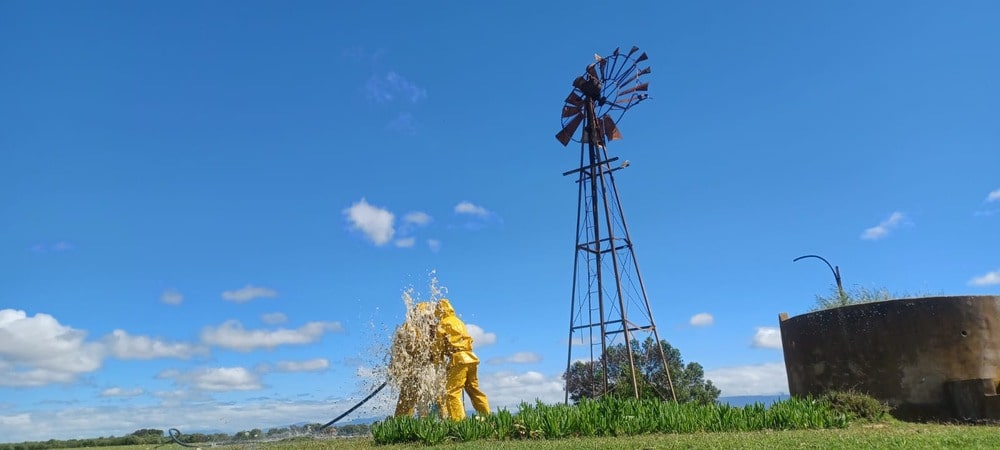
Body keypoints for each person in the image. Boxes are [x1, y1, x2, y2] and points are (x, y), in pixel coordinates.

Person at [435, 298, 490, 420]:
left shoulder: (443, 323)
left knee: (452, 392)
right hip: (471, 357)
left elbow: (438, 346)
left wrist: (436, 356)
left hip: (458, 359)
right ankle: (487, 417)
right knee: (473, 389)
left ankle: (458, 423)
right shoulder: (459, 321)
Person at [390, 302, 444, 417]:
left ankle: (445, 422)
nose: (430, 320)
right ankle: (401, 425)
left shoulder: (429, 329)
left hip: (426, 370)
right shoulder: (410, 329)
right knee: (408, 398)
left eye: (431, 317)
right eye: (426, 317)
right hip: (412, 371)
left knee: (439, 395)